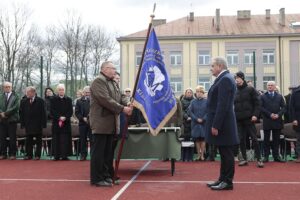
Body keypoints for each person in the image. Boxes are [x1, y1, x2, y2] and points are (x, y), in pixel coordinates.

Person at [89, 61, 132, 187]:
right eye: (113, 68)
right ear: (105, 69)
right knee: (99, 153)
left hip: (111, 123)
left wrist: (128, 103)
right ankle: (96, 178)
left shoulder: (112, 81)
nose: (115, 71)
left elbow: (121, 96)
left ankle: (106, 175)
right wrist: (123, 109)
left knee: (107, 153)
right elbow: (105, 100)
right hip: (101, 123)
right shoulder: (98, 81)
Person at [205, 57, 239, 191]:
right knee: (223, 153)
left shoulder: (225, 79)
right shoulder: (225, 78)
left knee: (226, 154)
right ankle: (222, 179)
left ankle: (227, 181)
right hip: (224, 122)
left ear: (220, 66)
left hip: (223, 123)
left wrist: (216, 125)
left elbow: (222, 105)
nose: (211, 68)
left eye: (212, 66)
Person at [234, 71, 264, 168]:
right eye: (235, 78)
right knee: (241, 139)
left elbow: (258, 103)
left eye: (238, 78)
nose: (236, 80)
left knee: (254, 139)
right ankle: (244, 159)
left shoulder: (251, 89)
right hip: (238, 119)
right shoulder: (235, 91)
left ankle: (259, 159)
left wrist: (255, 115)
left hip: (250, 119)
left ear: (242, 78)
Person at [260, 81, 286, 163]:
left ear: (274, 87)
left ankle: (276, 156)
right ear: (266, 87)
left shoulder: (279, 96)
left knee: (276, 140)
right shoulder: (263, 96)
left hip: (277, 120)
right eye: (268, 85)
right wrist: (270, 114)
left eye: (271, 85)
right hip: (267, 120)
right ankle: (266, 156)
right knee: (266, 140)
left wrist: (278, 115)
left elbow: (284, 108)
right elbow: (261, 107)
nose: (270, 86)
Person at [20, 86, 47, 160]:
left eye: (28, 92)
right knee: (28, 140)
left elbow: (44, 113)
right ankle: (29, 155)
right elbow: (21, 113)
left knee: (38, 140)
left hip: (38, 124)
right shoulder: (24, 101)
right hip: (28, 124)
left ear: (33, 92)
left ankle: (37, 155)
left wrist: (43, 124)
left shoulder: (41, 101)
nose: (26, 93)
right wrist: (22, 124)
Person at [50, 84, 73, 160]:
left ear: (65, 90)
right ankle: (56, 156)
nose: (61, 91)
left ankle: (64, 155)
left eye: (62, 89)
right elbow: (52, 111)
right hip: (56, 122)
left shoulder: (69, 99)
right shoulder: (53, 99)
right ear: (57, 91)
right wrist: (59, 117)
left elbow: (70, 111)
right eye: (60, 89)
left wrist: (65, 117)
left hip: (66, 123)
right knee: (56, 139)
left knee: (65, 139)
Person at [0, 82, 20, 160]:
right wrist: (1, 113)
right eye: (5, 87)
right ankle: (3, 154)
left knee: (12, 138)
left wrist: (5, 113)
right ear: (3, 88)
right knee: (2, 138)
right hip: (2, 120)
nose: (7, 88)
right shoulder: (0, 96)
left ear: (11, 87)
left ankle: (12, 154)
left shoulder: (16, 96)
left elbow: (16, 107)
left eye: (8, 87)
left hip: (12, 120)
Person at [188, 86, 207, 161]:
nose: (199, 93)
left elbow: (208, 112)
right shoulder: (193, 102)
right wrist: (196, 119)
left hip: (204, 123)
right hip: (195, 123)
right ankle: (198, 155)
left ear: (203, 93)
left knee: (203, 139)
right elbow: (190, 111)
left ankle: (202, 155)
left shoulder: (206, 101)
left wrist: (203, 119)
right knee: (197, 140)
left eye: (200, 92)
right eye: (197, 92)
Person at [75, 86, 91, 161]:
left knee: (93, 140)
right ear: (83, 93)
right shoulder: (79, 101)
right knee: (83, 139)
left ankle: (93, 155)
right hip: (82, 123)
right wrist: (82, 118)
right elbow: (77, 112)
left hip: (92, 123)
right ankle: (83, 155)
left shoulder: (94, 101)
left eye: (89, 92)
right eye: (86, 92)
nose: (87, 94)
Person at [289, 85, 300, 162]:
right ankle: (299, 156)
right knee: (299, 139)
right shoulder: (295, 93)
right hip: (298, 120)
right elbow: (291, 107)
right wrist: (294, 119)